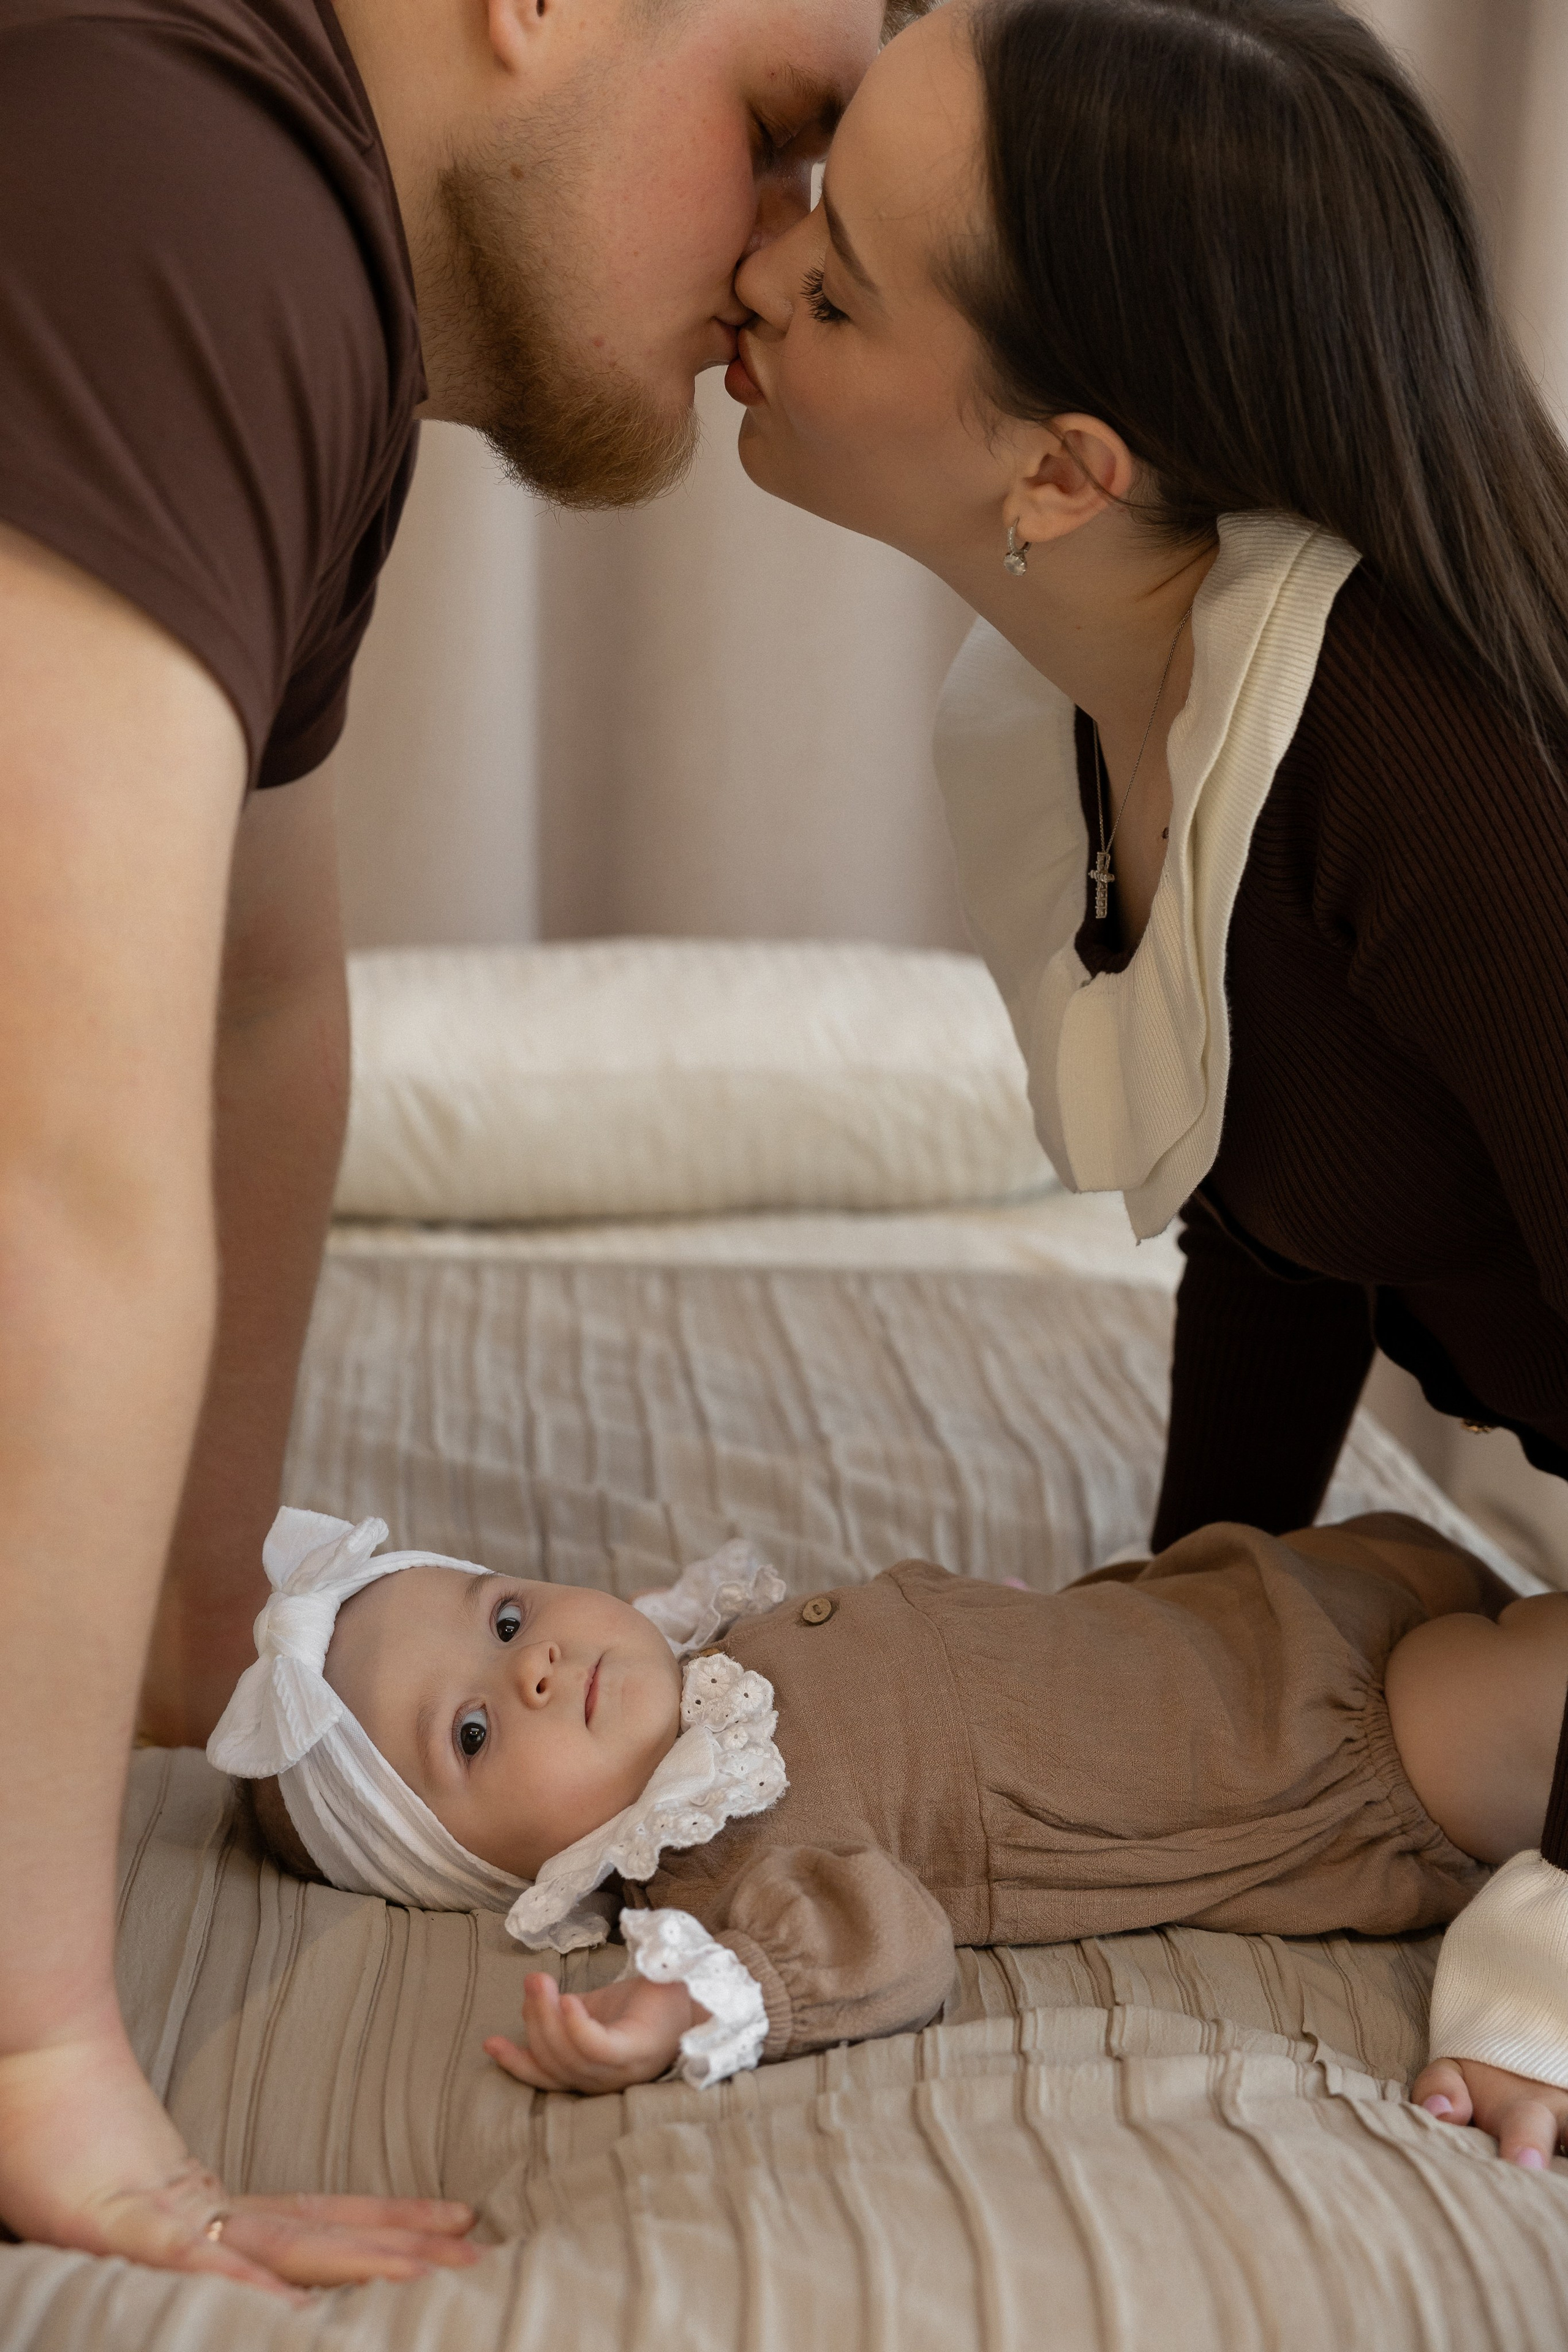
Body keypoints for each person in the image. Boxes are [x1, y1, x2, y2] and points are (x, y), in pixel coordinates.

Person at [0, 0, 918, 2284]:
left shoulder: (281, 239)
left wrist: (197, 1623)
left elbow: (256, 1002)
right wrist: (37, 2053)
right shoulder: (178, 195)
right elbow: (57, 1162)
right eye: (782, 130)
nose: (797, 253)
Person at [721, 0, 1568, 2168]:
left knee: (1437, 1718)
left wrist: (1550, 1963)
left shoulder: (1420, 753)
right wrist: (1197, 1604)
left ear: (1065, 470)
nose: (750, 273)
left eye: (831, 285)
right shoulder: (1134, 706)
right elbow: (1273, 1200)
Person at [219, 1504, 1566, 2127]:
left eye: (504, 1614)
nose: (526, 1667)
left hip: (1258, 1593)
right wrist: (686, 2003)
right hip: (1338, 1751)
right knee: (1517, 1690)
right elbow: (888, 1943)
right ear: (493, 1866)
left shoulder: (717, 1655)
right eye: (469, 1735)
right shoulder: (715, 1859)